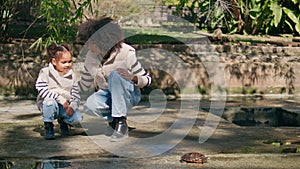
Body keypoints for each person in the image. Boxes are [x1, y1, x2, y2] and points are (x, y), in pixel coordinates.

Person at [77, 17, 151, 142]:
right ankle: (114, 120)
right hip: (106, 95)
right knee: (89, 106)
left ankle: (121, 123)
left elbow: (147, 79)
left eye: (91, 42)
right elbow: (84, 84)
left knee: (116, 75)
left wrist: (132, 78)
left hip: (129, 94)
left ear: (103, 41)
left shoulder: (126, 53)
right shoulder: (90, 57)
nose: (88, 46)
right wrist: (66, 92)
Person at [35, 43, 83, 140]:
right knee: (49, 102)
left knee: (78, 118)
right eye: (64, 62)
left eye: (70, 62)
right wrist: (60, 99)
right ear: (54, 61)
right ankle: (48, 125)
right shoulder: (45, 72)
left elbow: (75, 94)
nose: (68, 65)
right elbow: (41, 89)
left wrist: (72, 107)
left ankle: (63, 121)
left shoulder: (72, 75)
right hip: (50, 104)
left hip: (65, 107)